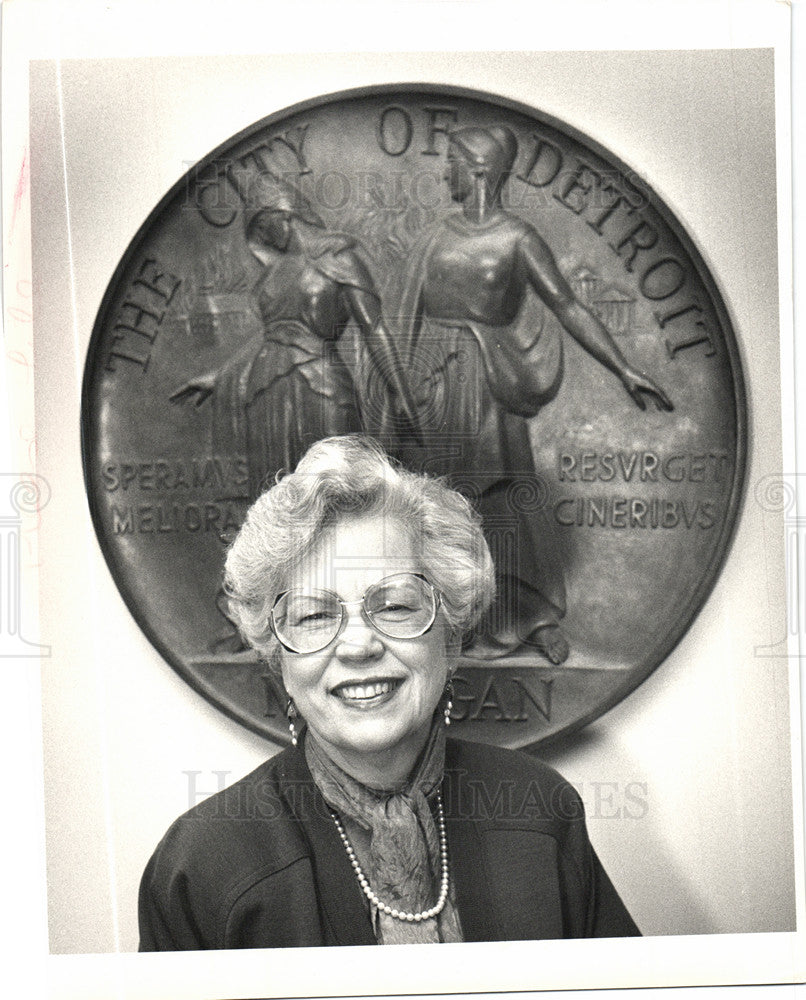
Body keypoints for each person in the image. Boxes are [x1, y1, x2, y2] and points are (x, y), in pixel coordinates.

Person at [138, 436, 640, 949]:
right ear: (278, 656)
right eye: (314, 615)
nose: (358, 645)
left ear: (450, 634)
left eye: (396, 606)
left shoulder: (541, 809)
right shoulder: (200, 866)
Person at [390, 126, 672, 664]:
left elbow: (567, 306)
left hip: (489, 382)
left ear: (478, 168)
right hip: (432, 383)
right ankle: (439, 622)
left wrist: (624, 368)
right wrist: (398, 392)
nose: (444, 172)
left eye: (451, 162)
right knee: (433, 506)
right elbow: (400, 320)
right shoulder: (433, 238)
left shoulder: (517, 239)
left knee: (502, 498)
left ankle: (529, 616)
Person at [171, 172, 420, 501]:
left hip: (321, 386)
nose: (263, 239)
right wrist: (220, 377)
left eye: (262, 228)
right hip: (269, 392)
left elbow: (374, 328)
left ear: (283, 216)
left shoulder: (341, 259)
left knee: (342, 491)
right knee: (281, 501)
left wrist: (398, 390)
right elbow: (271, 338)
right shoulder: (275, 272)